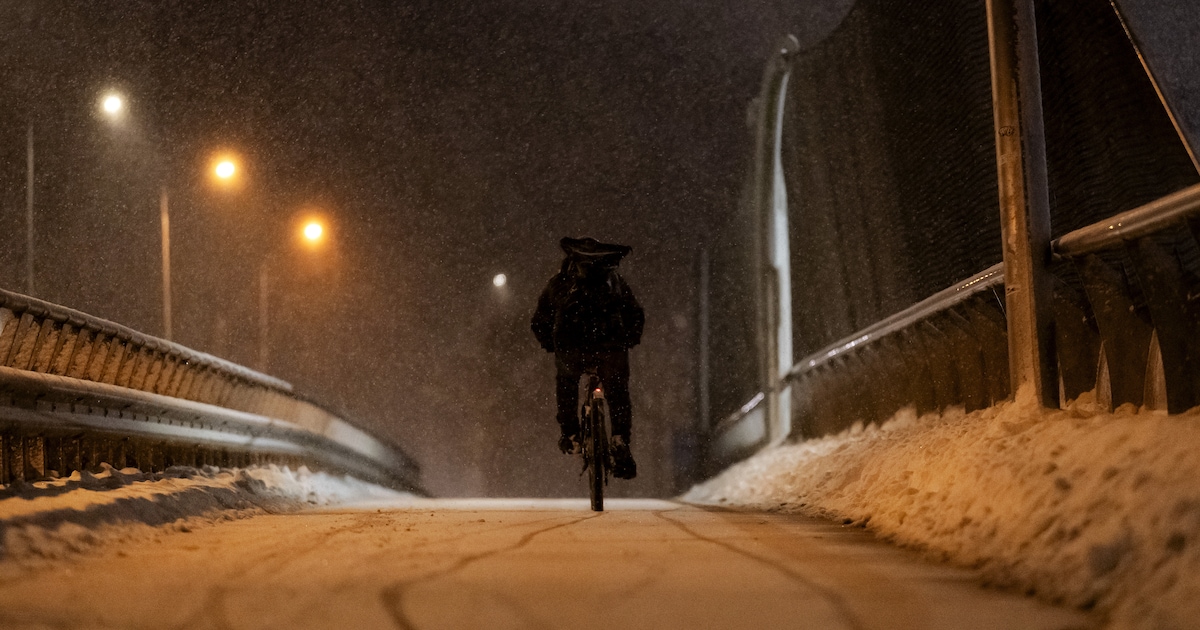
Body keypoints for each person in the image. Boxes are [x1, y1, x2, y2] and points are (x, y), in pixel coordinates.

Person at [531, 236, 644, 479]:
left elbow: (540, 319)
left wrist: (550, 344)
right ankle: (620, 439)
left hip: (571, 348)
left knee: (567, 385)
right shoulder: (614, 281)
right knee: (618, 391)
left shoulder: (560, 282)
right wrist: (630, 339)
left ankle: (571, 435)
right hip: (610, 348)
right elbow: (634, 313)